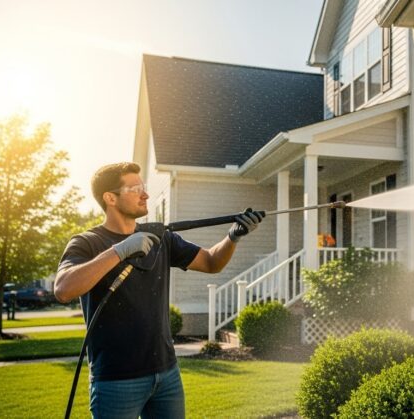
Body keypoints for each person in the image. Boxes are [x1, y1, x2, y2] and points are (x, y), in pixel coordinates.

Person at [55, 162, 262, 418]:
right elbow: (64, 289)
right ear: (110, 197)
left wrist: (233, 237)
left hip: (166, 374)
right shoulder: (87, 242)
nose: (146, 194)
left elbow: (211, 262)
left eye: (144, 187)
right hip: (116, 380)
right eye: (135, 188)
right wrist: (120, 251)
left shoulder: (160, 237)